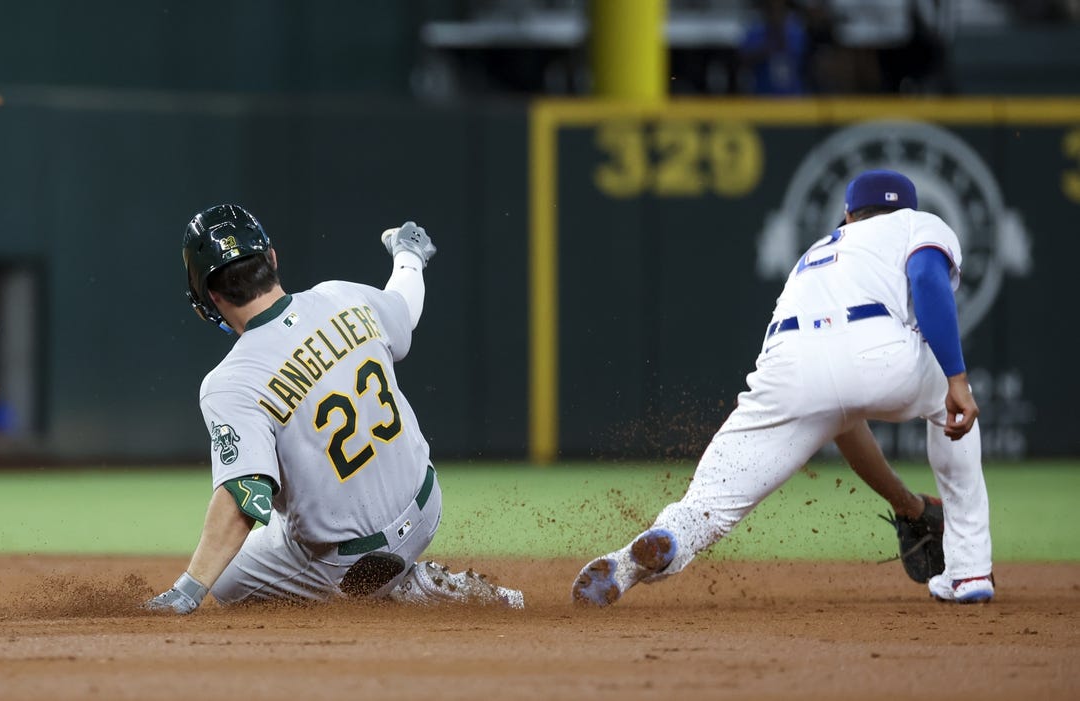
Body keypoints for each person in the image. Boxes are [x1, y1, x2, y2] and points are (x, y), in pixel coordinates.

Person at [572, 169, 993, 606]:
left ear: (847, 216)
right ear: (907, 209)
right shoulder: (917, 223)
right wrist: (957, 380)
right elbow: (926, 279)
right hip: (882, 349)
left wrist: (906, 504)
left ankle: (646, 551)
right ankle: (969, 571)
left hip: (789, 367)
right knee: (954, 407)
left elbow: (839, 411)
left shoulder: (818, 253)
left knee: (711, 501)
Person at [146, 204, 523, 613]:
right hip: (426, 504)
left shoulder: (230, 382)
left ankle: (403, 588)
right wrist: (408, 254)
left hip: (349, 562)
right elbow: (404, 308)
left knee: (229, 579)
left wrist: (188, 589)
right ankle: (408, 577)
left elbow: (244, 496)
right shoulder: (342, 295)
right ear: (272, 258)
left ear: (211, 297)